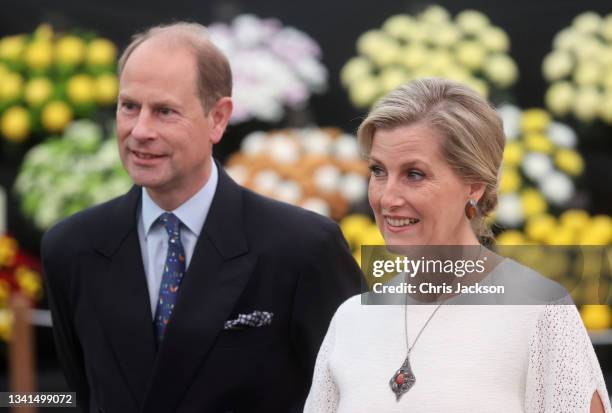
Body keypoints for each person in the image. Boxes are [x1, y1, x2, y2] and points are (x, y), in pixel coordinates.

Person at [42, 22, 363, 413]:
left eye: (164, 111)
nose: (140, 130)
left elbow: (358, 389)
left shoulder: (303, 247)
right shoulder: (71, 247)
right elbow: (82, 390)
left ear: (218, 118)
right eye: (129, 107)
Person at [304, 78, 611, 412]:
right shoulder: (350, 321)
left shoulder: (540, 313)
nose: (387, 197)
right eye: (378, 171)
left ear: (474, 187)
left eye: (415, 174)